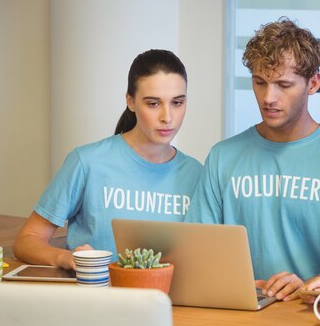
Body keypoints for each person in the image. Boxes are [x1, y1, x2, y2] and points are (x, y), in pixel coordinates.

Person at [186, 18, 320, 301]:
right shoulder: (223, 157)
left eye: (283, 85)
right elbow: (197, 248)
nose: (268, 97)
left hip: (311, 316)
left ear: (313, 84)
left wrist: (307, 288)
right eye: (259, 83)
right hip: (238, 312)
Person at [13, 49, 202, 270]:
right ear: (130, 102)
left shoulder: (197, 174)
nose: (167, 117)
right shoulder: (87, 162)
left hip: (168, 303)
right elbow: (27, 239)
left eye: (177, 103)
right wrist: (65, 258)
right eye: (153, 103)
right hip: (95, 299)